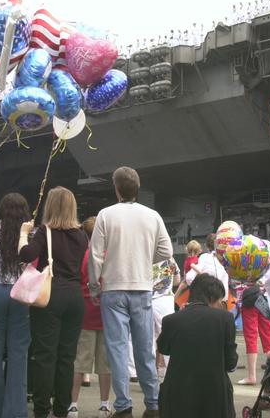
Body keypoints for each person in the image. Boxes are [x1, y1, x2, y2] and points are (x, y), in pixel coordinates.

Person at [88, 166, 173, 417]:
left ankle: (123, 405)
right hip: (142, 287)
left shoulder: (105, 215)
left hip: (113, 288)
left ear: (116, 189)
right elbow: (167, 251)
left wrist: (95, 286)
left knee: (117, 348)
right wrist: (146, 260)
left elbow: (95, 255)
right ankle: (153, 404)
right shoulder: (153, 215)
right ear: (137, 188)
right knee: (144, 348)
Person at [19, 187, 88, 418]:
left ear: (50, 206)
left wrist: (23, 233)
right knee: (66, 357)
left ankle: (41, 410)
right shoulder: (81, 235)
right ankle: (62, 409)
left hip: (51, 296)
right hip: (75, 297)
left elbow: (26, 255)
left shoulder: (44, 231)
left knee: (44, 355)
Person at [0, 193, 32, 418]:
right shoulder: (30, 236)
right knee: (18, 354)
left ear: (1, 211)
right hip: (20, 292)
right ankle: (16, 411)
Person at [157, 273, 237, 418]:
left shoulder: (171, 320)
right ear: (212, 298)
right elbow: (231, 363)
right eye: (219, 301)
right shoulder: (225, 319)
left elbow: (163, 348)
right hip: (215, 397)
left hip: (177, 397)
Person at [69, 217, 111, 418]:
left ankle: (73, 404)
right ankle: (104, 404)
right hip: (106, 316)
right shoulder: (109, 256)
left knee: (79, 363)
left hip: (84, 315)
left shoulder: (81, 256)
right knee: (105, 365)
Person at [237, 282, 270, 385]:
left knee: (251, 336)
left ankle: (251, 376)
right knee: (268, 334)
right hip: (264, 297)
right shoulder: (267, 266)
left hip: (248, 298)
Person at [151, 257, 180, 379]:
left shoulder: (144, 253)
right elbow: (177, 280)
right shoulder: (169, 259)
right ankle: (172, 373)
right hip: (165, 299)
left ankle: (149, 376)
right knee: (169, 337)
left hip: (145, 298)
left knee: (148, 341)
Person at [184, 233, 228, 301]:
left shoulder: (204, 257)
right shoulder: (227, 263)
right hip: (222, 301)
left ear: (207, 246)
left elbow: (189, 278)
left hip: (205, 300)